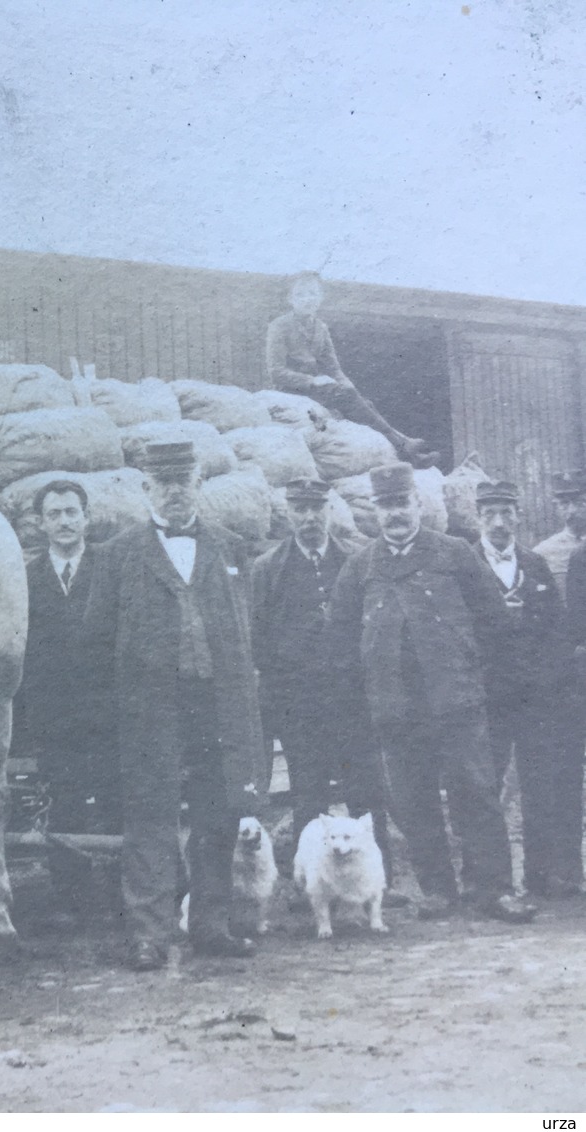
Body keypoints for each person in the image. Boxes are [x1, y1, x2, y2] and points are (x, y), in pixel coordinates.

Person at [84, 440, 266, 970]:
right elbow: (96, 640)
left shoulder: (231, 548)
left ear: (199, 486)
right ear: (146, 489)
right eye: (164, 484)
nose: (175, 493)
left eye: (184, 482)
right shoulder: (118, 554)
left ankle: (212, 925)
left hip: (217, 704)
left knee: (219, 812)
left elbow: (244, 631)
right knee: (149, 815)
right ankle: (149, 933)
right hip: (152, 708)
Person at [328, 462, 535, 922]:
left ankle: (494, 888)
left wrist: (476, 683)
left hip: (455, 701)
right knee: (413, 799)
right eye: (385, 506)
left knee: (476, 793)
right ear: (375, 512)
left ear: (417, 504)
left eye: (401, 503)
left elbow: (495, 627)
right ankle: (437, 889)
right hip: (395, 708)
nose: (394, 514)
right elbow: (339, 642)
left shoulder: (454, 553)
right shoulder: (361, 566)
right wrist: (365, 696)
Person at [251, 478, 390, 871]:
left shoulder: (355, 560)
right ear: (289, 513)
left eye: (317, 508)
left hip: (352, 703)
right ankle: (306, 880)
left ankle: (381, 879)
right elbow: (259, 641)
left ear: (329, 510)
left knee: (366, 794)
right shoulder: (268, 569)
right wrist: (282, 704)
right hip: (301, 708)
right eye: (301, 509)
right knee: (308, 798)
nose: (310, 518)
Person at [472, 480, 582, 899]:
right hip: (487, 700)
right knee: (484, 789)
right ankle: (488, 880)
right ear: (478, 517)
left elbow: (556, 630)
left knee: (540, 786)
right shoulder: (467, 565)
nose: (499, 523)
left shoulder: (534, 564)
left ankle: (540, 876)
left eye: (506, 513)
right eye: (490, 514)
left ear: (518, 516)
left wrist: (546, 683)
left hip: (535, 700)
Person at [14, 479, 116, 924]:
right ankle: (70, 897)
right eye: (54, 514)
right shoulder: (26, 578)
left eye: (71, 512)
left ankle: (117, 892)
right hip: (56, 717)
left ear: (87, 517)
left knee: (116, 799)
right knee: (66, 802)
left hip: (109, 712)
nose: (64, 522)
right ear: (40, 523)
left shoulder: (112, 568)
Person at [265, 273, 435, 463]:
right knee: (348, 398)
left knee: (363, 403)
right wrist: (312, 380)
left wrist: (347, 384)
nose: (307, 299)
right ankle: (403, 443)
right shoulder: (279, 326)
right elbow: (276, 372)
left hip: (319, 391)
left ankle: (407, 452)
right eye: (300, 295)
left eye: (312, 293)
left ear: (321, 297)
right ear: (290, 299)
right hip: (293, 390)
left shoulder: (321, 328)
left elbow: (333, 367)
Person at [532, 469, 586, 588]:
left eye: (580, 503)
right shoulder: (543, 552)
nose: (572, 511)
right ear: (556, 507)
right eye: (564, 503)